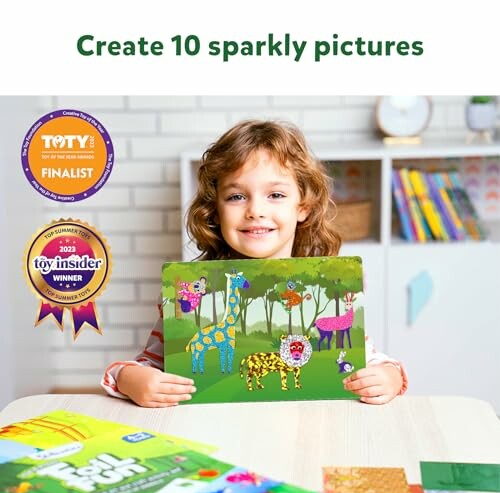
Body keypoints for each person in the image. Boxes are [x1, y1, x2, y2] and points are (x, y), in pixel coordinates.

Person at [101, 120, 408, 407]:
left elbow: (372, 361)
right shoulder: (190, 297)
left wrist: (389, 378)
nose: (255, 210)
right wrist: (132, 380)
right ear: (215, 210)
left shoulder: (330, 291)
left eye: (275, 194)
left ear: (303, 206)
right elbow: (142, 366)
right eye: (236, 197)